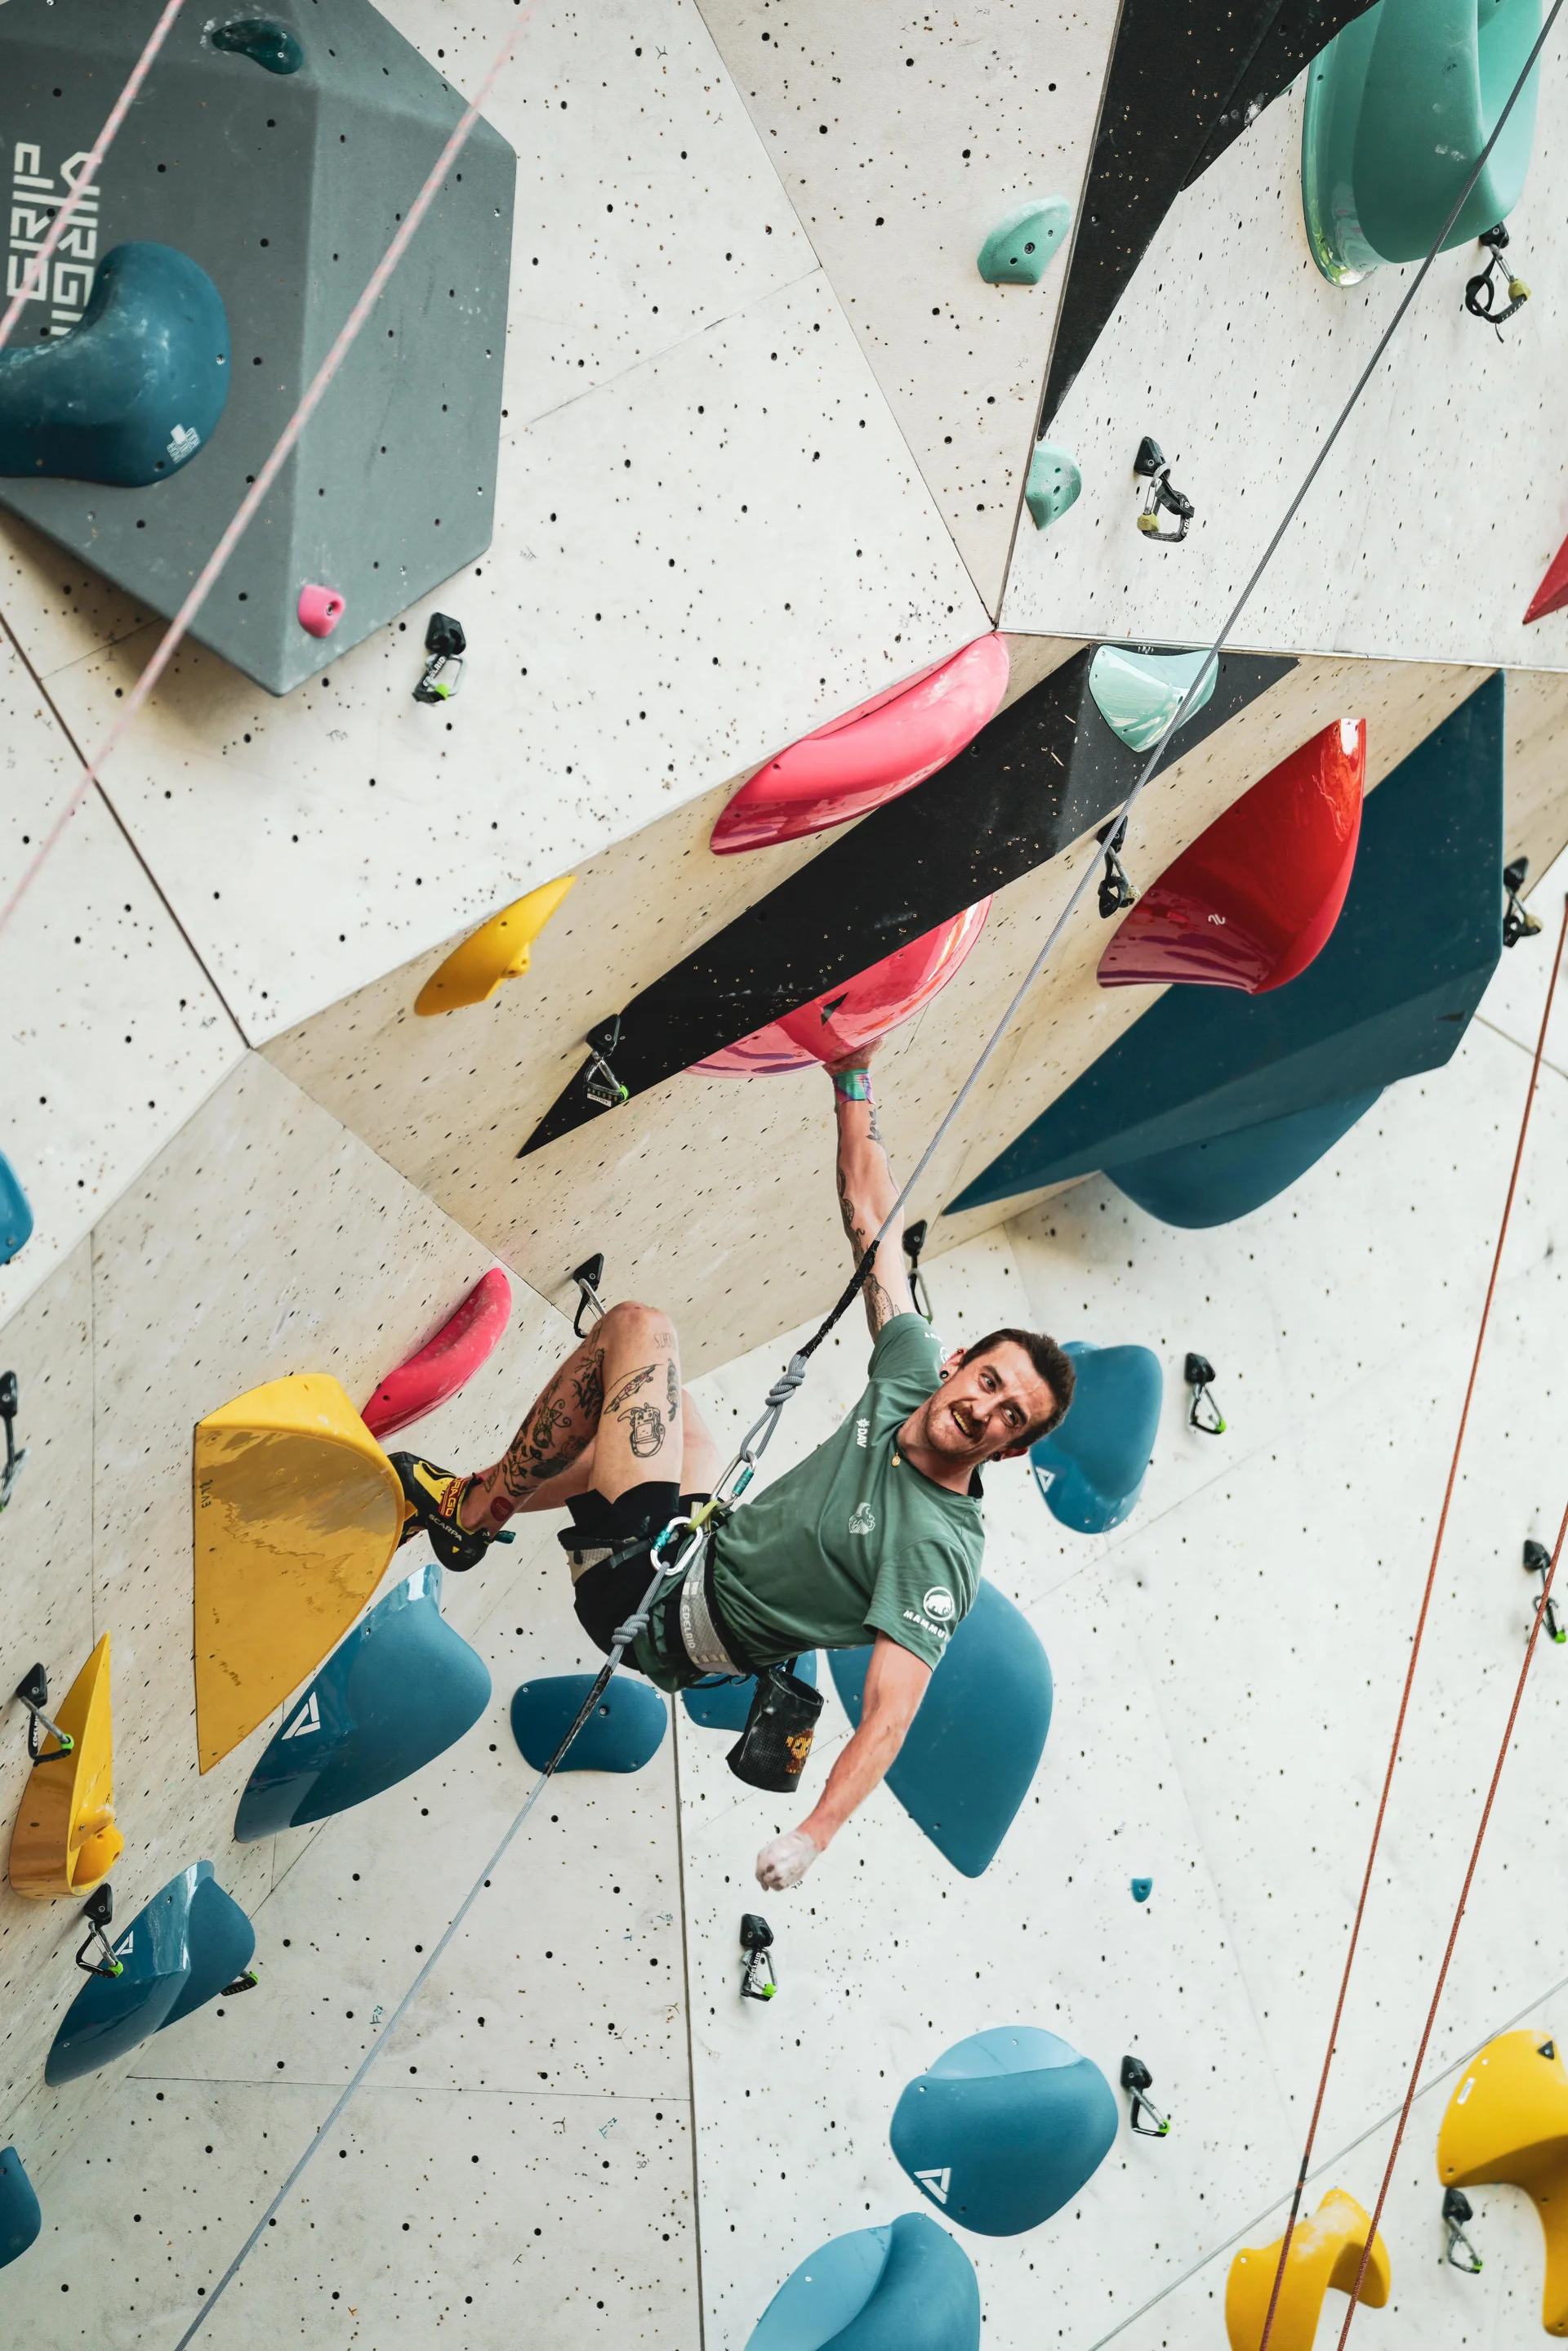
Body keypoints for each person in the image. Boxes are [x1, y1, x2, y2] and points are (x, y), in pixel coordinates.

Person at [393, 1043, 1075, 1890]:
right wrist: (850, 1076)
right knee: (674, 1428)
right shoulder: (909, 1372)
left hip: (656, 1610)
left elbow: (892, 1717)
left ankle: (471, 1514)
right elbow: (872, 1216)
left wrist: (814, 1835)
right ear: (959, 1360)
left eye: (1010, 1416)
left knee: (639, 1331)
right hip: (691, 1542)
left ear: (1010, 1449)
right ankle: (463, 1509)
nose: (984, 1406)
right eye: (989, 1380)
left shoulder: (938, 1551)